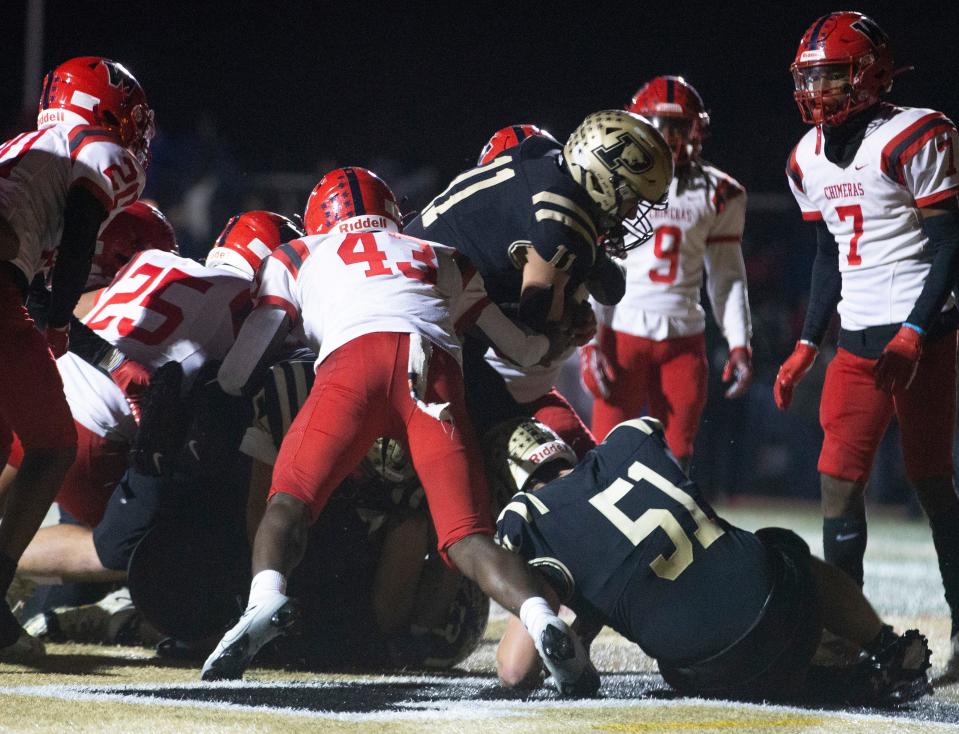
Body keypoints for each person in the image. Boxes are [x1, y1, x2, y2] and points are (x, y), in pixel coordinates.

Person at [203, 166, 598, 696]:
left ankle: (265, 599)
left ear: (321, 220)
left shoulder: (298, 254)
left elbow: (238, 368)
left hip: (352, 366)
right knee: (466, 538)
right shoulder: (441, 255)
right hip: (433, 373)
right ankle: (541, 618)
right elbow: (524, 351)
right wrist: (562, 336)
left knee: (290, 502)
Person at [492, 416, 932, 705]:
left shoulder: (527, 518)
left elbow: (516, 670)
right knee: (778, 544)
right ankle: (883, 644)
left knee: (688, 663)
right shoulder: (632, 436)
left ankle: (844, 688)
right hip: (784, 599)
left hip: (714, 668)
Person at [773, 11, 959, 677]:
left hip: (923, 334)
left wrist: (914, 330)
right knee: (835, 485)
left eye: (831, 74)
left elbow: (947, 244)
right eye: (810, 76)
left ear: (870, 73)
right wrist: (805, 342)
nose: (818, 89)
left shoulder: (916, 132)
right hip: (853, 339)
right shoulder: (804, 157)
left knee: (932, 483)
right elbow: (827, 253)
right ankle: (845, 635)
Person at [9, 211, 299, 599]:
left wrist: (112, 360)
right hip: (92, 431)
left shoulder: (159, 262)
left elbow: (77, 309)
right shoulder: (262, 310)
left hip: (39, 376)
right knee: (132, 547)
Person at [0, 56, 152, 661]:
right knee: (53, 445)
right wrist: (63, 323)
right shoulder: (91, 148)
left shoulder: (25, 144)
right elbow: (86, 220)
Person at [406, 111, 673, 450]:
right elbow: (534, 339)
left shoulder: (540, 155)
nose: (633, 213)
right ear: (600, 177)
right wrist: (567, 321)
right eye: (631, 196)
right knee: (506, 440)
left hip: (431, 306)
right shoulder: (559, 223)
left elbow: (606, 284)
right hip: (422, 324)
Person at [580, 77, 752, 471]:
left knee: (678, 461)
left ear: (697, 128)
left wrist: (740, 342)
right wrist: (592, 341)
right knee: (604, 456)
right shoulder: (616, 178)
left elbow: (727, 276)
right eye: (662, 125)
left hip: (683, 336)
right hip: (621, 330)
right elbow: (595, 264)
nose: (672, 138)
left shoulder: (721, 191)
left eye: (680, 126)